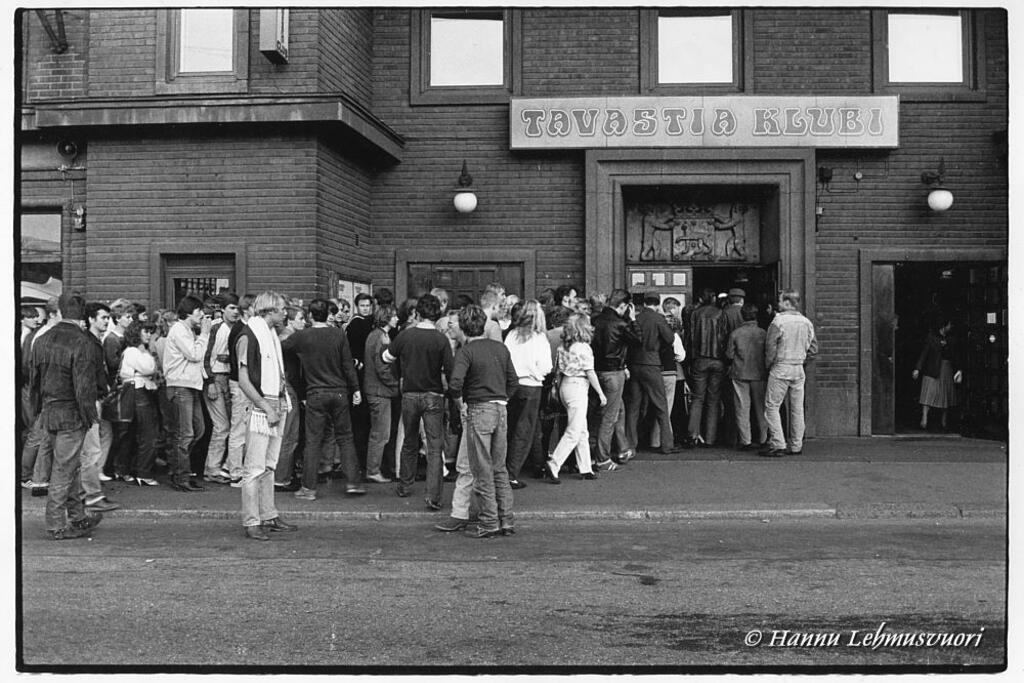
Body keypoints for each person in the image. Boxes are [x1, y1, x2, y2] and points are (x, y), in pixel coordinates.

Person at [28, 293, 104, 540]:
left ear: (59, 311)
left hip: (49, 411)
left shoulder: (43, 339)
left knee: (68, 466)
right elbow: (83, 386)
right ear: (81, 315)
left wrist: (38, 410)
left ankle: (78, 517)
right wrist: (89, 415)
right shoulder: (82, 342)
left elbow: (35, 381)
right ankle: (56, 524)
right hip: (72, 412)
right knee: (64, 468)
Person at [444, 304, 519, 537]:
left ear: (464, 326)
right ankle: (506, 520)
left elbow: (455, 384)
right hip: (501, 408)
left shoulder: (467, 351)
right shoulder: (500, 348)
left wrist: (461, 403)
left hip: (478, 407)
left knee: (482, 469)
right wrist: (502, 397)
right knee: (499, 468)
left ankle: (489, 522)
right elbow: (513, 382)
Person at [282, 298, 364, 500]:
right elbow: (347, 364)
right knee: (345, 437)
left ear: (310, 315)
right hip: (339, 392)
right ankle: (353, 482)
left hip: (315, 393)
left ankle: (308, 488)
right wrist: (356, 389)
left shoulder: (302, 337)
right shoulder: (338, 334)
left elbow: (280, 347)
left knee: (313, 441)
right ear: (328, 313)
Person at [235, 291, 298, 540]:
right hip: (263, 406)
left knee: (269, 465)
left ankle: (268, 514)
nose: (286, 313)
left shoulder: (268, 334)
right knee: (254, 468)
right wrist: (266, 406)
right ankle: (252, 521)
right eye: (282, 309)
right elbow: (243, 379)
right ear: (270, 310)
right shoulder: (249, 335)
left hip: (275, 402)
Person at [383, 293, 453, 509]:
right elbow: (450, 371)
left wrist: (400, 374)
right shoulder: (441, 339)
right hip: (434, 395)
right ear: (437, 313)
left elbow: (386, 358)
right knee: (434, 446)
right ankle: (434, 496)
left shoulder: (405, 336)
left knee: (409, 441)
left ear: (419, 313)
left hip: (410, 394)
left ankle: (404, 485)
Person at [544, 313, 607, 483]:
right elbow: (590, 372)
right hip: (579, 387)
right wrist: (601, 393)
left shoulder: (563, 347)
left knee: (581, 430)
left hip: (565, 386)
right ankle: (554, 463)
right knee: (573, 431)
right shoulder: (583, 348)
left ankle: (585, 467)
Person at [163, 294, 212, 491]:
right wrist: (206, 334)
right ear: (188, 312)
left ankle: (179, 470)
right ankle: (181, 477)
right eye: (199, 310)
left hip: (191, 386)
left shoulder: (188, 330)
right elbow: (195, 354)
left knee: (197, 431)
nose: (202, 314)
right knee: (186, 434)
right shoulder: (179, 330)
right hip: (180, 386)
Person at [761, 290, 818, 458]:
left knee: (772, 407)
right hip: (798, 368)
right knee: (797, 409)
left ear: (787, 303)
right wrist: (802, 360)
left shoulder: (778, 322)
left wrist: (769, 365)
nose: (778, 303)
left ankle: (778, 443)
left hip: (781, 367)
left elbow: (770, 348)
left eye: (780, 300)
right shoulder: (807, 322)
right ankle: (796, 445)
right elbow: (813, 349)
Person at [503, 299, 553, 488]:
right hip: (531, 386)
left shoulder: (511, 335)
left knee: (513, 427)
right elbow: (546, 366)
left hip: (512, 385)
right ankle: (511, 473)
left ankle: (537, 464)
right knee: (525, 430)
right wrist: (537, 374)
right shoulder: (539, 338)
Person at [590, 289, 641, 469]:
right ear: (624, 306)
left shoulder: (594, 320)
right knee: (610, 415)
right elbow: (638, 341)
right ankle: (602, 458)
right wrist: (633, 319)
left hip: (596, 372)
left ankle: (622, 448)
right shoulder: (621, 323)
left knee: (618, 409)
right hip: (614, 372)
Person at [624, 294, 679, 455]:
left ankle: (630, 445)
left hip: (635, 364)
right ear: (658, 303)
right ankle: (667, 444)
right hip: (652, 364)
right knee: (661, 405)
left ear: (644, 303)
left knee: (633, 407)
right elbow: (669, 339)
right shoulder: (658, 319)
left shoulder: (637, 318)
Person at [81, 302, 119, 512]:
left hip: (96, 398)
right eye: (103, 317)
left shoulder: (95, 341)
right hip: (91, 400)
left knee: (92, 447)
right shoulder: (89, 342)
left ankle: (89, 493)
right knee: (92, 449)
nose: (107, 321)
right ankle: (92, 496)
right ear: (91, 319)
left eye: (108, 318)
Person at [201, 293, 242, 484]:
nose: (235, 311)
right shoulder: (217, 328)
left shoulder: (237, 328)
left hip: (229, 378)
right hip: (216, 378)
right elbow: (205, 355)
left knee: (229, 426)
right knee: (222, 426)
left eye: (237, 308)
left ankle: (221, 465)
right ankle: (212, 468)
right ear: (223, 309)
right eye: (231, 308)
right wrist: (209, 382)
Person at [116, 321, 161, 485]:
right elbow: (149, 368)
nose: (149, 335)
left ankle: (122, 469)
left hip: (134, 391)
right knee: (149, 432)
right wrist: (146, 354)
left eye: (150, 331)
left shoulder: (129, 351)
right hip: (140, 391)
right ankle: (143, 472)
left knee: (130, 433)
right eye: (146, 331)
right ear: (137, 333)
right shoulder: (135, 351)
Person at [685, 288, 729, 448]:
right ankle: (711, 438)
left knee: (697, 398)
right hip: (718, 360)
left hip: (699, 360)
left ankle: (693, 435)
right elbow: (724, 336)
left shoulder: (695, 313)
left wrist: (689, 360)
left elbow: (689, 338)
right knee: (713, 399)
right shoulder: (720, 313)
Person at [364, 304, 401, 483]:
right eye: (394, 316)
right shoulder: (380, 338)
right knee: (381, 433)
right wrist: (396, 384)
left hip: (377, 391)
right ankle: (373, 470)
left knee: (380, 432)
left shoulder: (378, 335)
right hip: (380, 391)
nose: (397, 319)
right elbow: (382, 367)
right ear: (386, 318)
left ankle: (374, 468)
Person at [726, 303, 768, 451]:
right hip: (759, 373)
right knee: (761, 407)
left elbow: (729, 354)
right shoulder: (763, 333)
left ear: (742, 316)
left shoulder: (736, 333)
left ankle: (746, 440)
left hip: (740, 373)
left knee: (742, 407)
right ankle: (764, 438)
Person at [275, 303, 307, 491]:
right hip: (289, 389)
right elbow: (293, 372)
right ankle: (282, 477)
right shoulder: (289, 340)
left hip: (288, 388)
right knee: (289, 434)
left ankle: (283, 474)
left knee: (288, 434)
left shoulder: (284, 338)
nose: (304, 322)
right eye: (301, 319)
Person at [912, 318, 962, 431]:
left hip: (946, 369)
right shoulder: (932, 338)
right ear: (943, 326)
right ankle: (924, 419)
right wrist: (917, 369)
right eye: (949, 324)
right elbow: (924, 354)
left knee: (945, 395)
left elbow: (955, 355)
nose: (951, 327)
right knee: (928, 393)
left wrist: (959, 369)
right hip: (932, 369)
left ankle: (943, 422)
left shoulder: (951, 339)